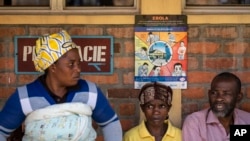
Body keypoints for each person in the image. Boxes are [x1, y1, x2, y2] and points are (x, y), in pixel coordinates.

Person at [0, 30, 122, 141]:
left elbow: (110, 123)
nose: (78, 69)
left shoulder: (90, 92)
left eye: (79, 63)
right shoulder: (24, 97)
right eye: (71, 64)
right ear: (53, 66)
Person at [182, 72, 250, 141]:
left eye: (226, 94)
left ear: (238, 97)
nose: (219, 98)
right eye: (214, 93)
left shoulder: (247, 120)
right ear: (209, 94)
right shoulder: (195, 123)